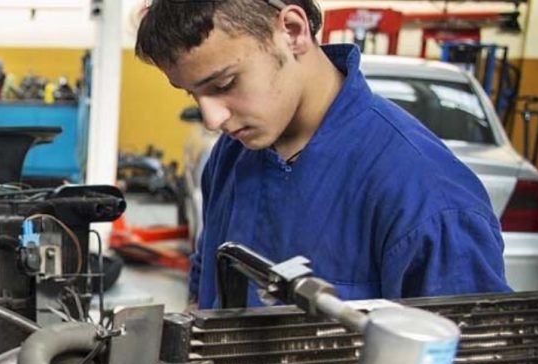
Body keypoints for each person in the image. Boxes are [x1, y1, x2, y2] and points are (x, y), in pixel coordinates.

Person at [135, 0, 511, 308]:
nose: (213, 118)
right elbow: (205, 290)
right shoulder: (232, 156)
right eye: (192, 95)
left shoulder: (427, 197)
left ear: (293, 32)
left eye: (225, 83)